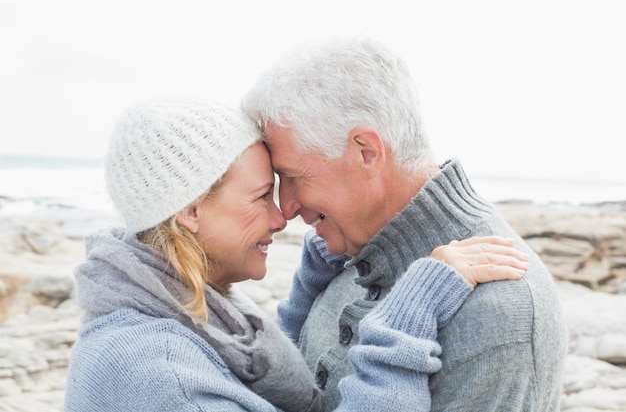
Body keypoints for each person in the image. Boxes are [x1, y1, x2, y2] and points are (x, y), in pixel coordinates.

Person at [64, 97, 528, 411]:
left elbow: (245, 378)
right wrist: (406, 320)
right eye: (261, 195)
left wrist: (309, 290)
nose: (280, 217)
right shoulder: (166, 379)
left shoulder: (169, 311)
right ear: (190, 210)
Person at [242, 36, 568, 411]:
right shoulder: (346, 256)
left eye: (293, 176)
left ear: (367, 152)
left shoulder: (499, 312)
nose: (286, 208)